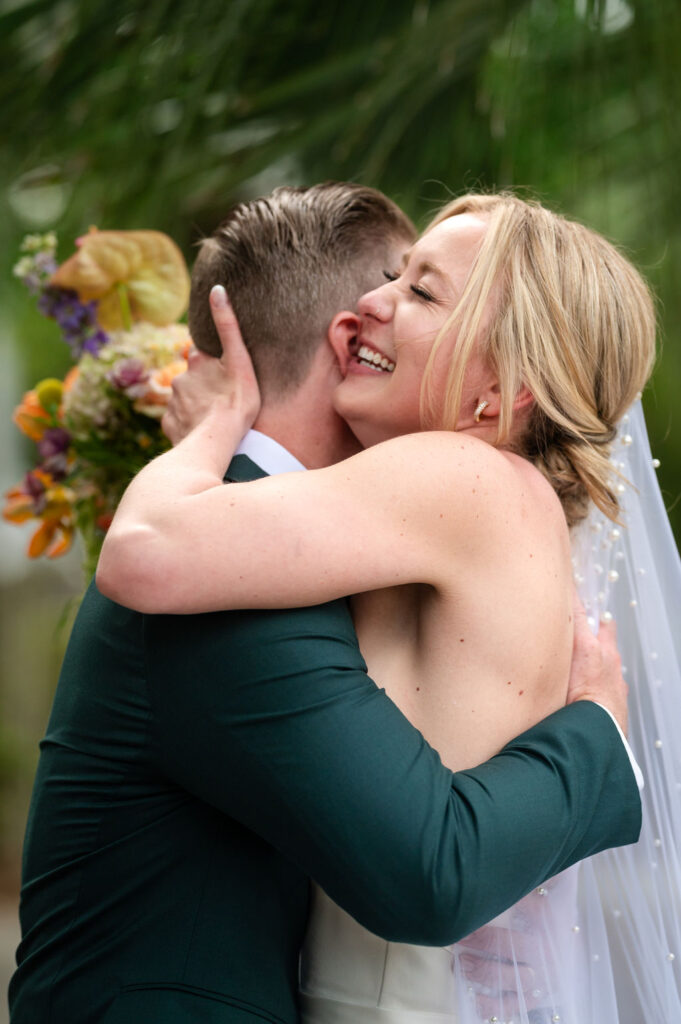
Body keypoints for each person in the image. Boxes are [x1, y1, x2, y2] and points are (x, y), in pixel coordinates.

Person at [10, 184, 640, 1024]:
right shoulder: (440, 535)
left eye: (416, 291)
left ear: (500, 386)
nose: (367, 310)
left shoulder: (464, 477)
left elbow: (144, 551)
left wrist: (213, 431)